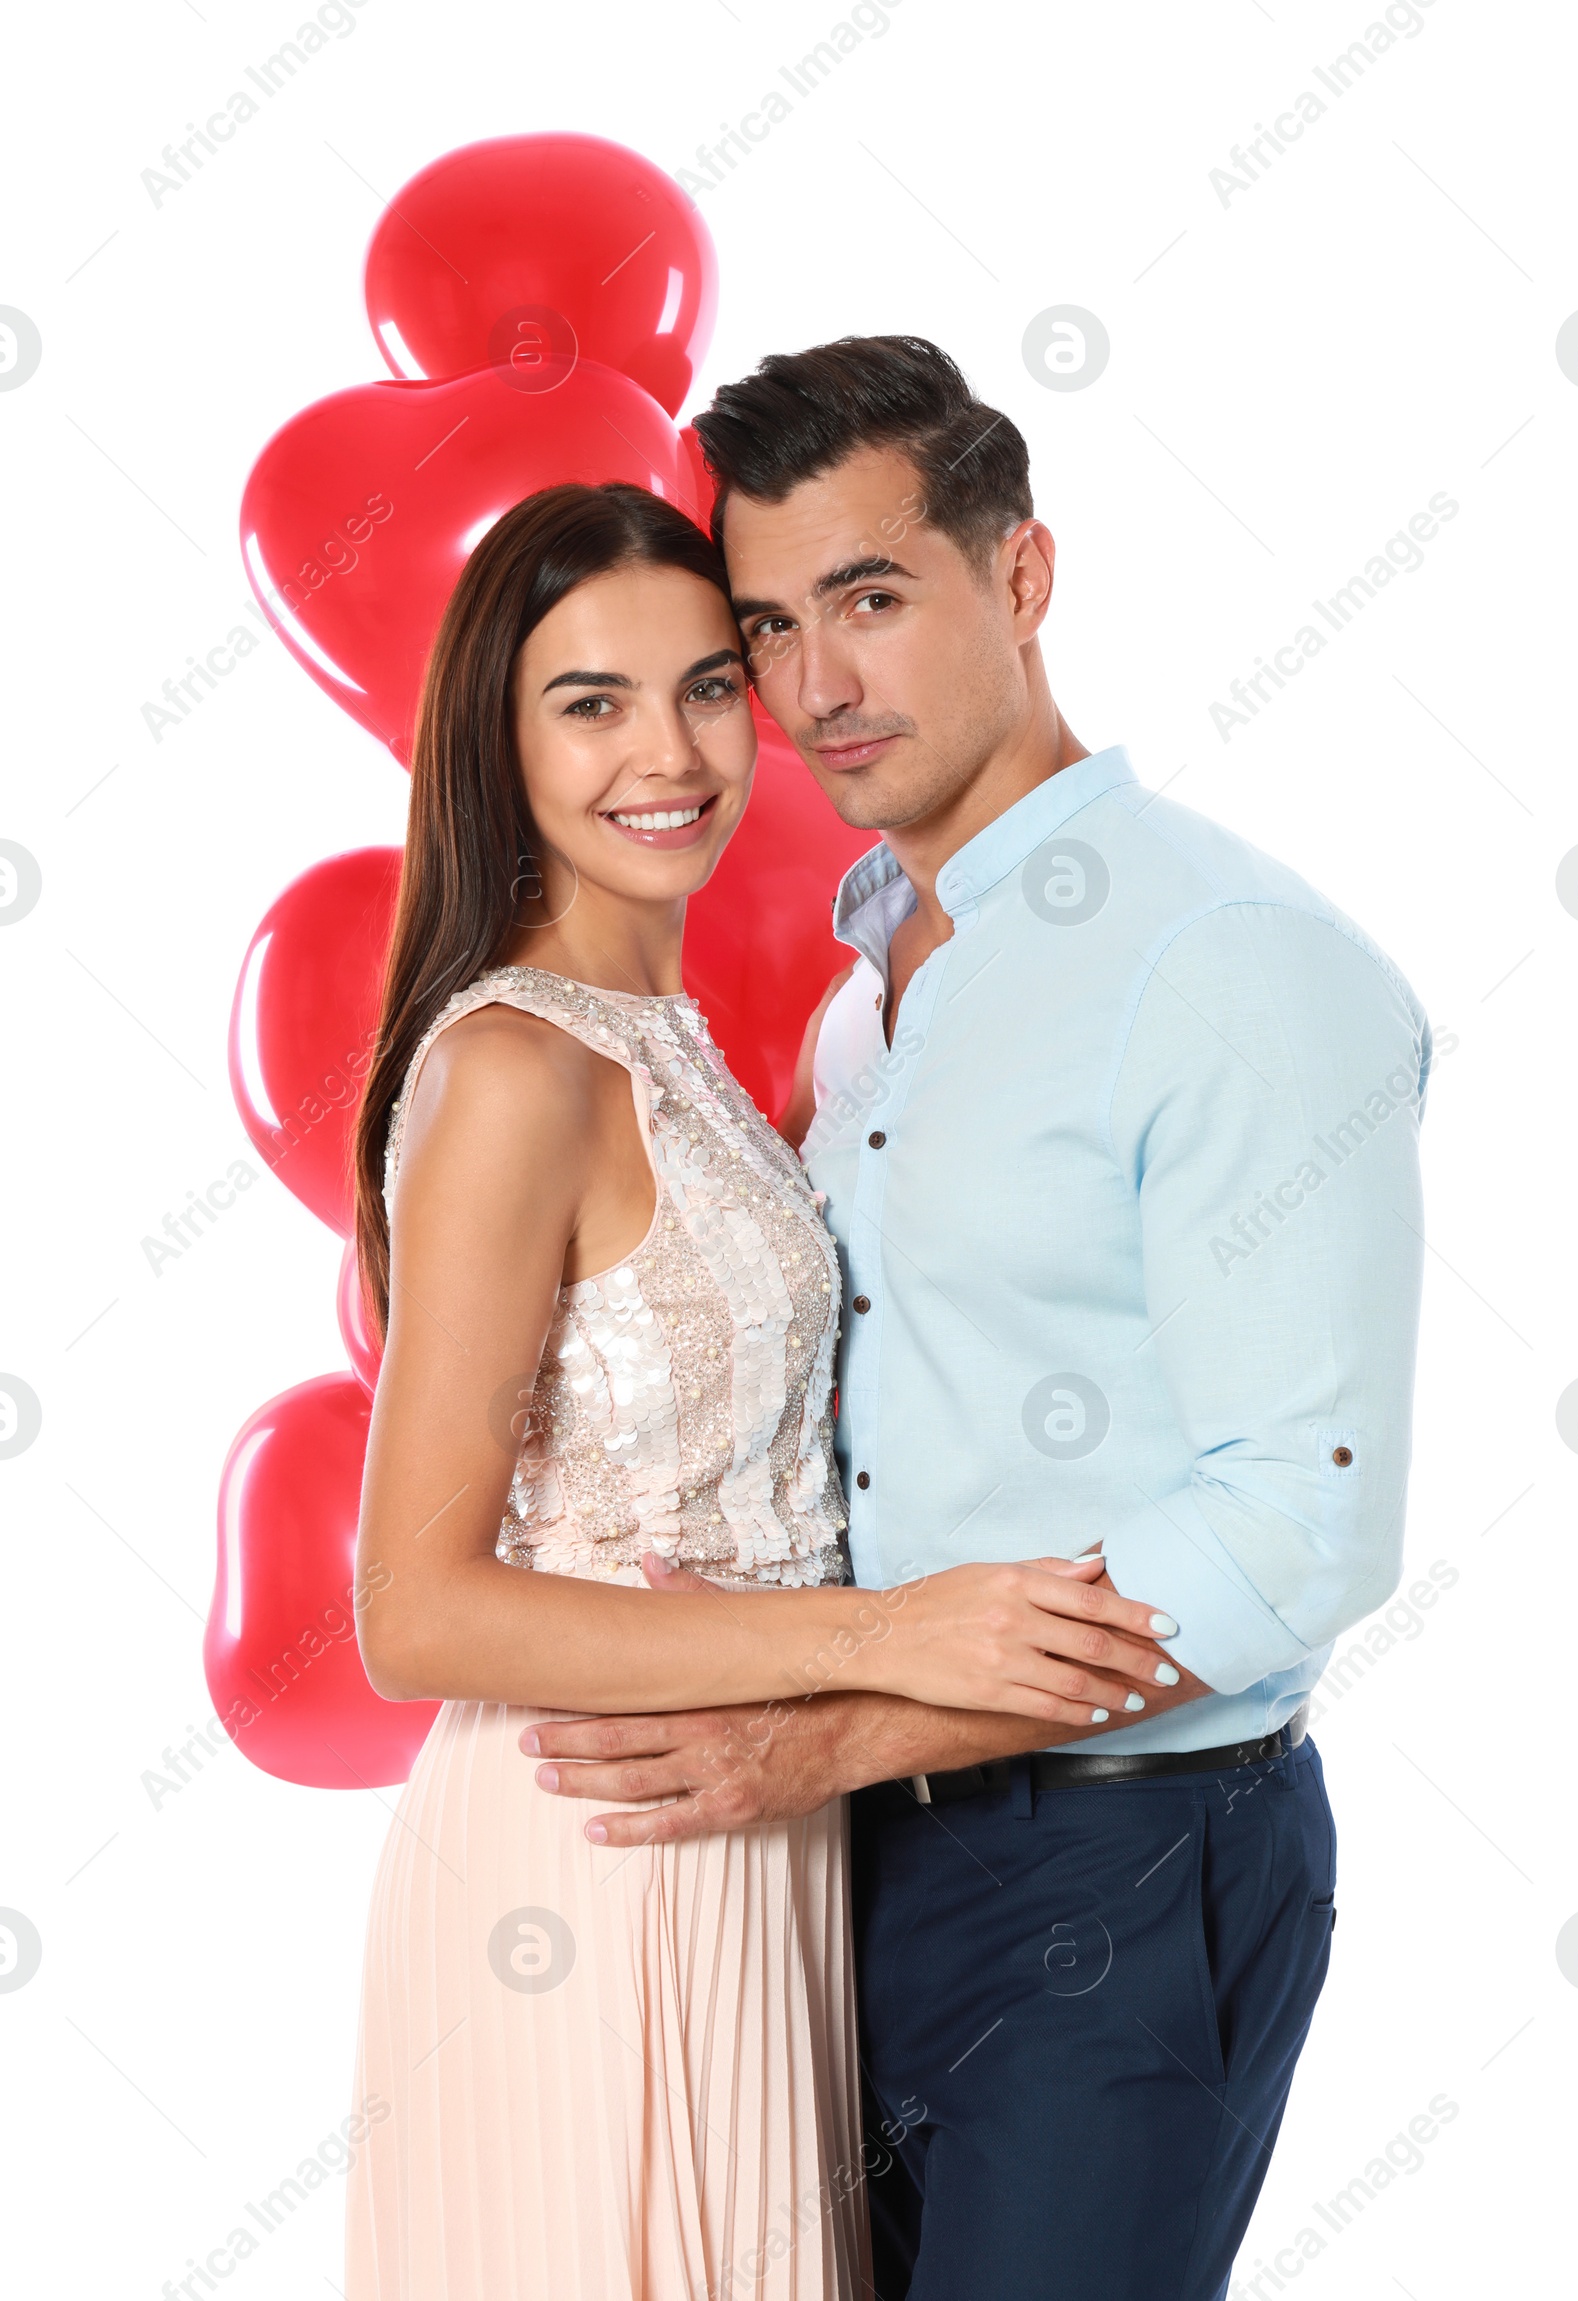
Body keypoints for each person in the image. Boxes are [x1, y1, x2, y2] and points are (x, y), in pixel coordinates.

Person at [524, 342, 1431, 2300]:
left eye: (869, 597)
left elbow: (1303, 1523)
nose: (814, 686)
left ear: (1018, 578)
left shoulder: (1226, 964)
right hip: (841, 1855)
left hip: (1117, 1853)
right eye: (766, 626)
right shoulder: (869, 986)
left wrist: (845, 1719)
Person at [341, 477, 1183, 2301]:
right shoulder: (516, 1067)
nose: (672, 749)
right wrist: (894, 1636)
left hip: (761, 1841)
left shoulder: (689, 1041)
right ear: (498, 740)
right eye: (592, 702)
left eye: (710, 684)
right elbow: (412, 1608)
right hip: (591, 1854)